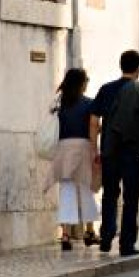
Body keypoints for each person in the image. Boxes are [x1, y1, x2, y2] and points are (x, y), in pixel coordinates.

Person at [90, 50, 139, 257]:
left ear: (121, 66)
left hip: (110, 151)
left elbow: (94, 120)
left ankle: (105, 236)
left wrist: (94, 148)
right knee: (131, 198)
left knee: (110, 194)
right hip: (132, 153)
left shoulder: (106, 89)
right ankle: (126, 244)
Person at [46, 68, 101, 251]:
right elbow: (94, 127)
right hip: (83, 148)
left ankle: (66, 235)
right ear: (81, 83)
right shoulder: (89, 103)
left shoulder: (58, 103)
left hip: (63, 150)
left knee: (66, 191)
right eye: (87, 80)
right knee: (86, 189)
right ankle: (89, 232)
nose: (87, 83)